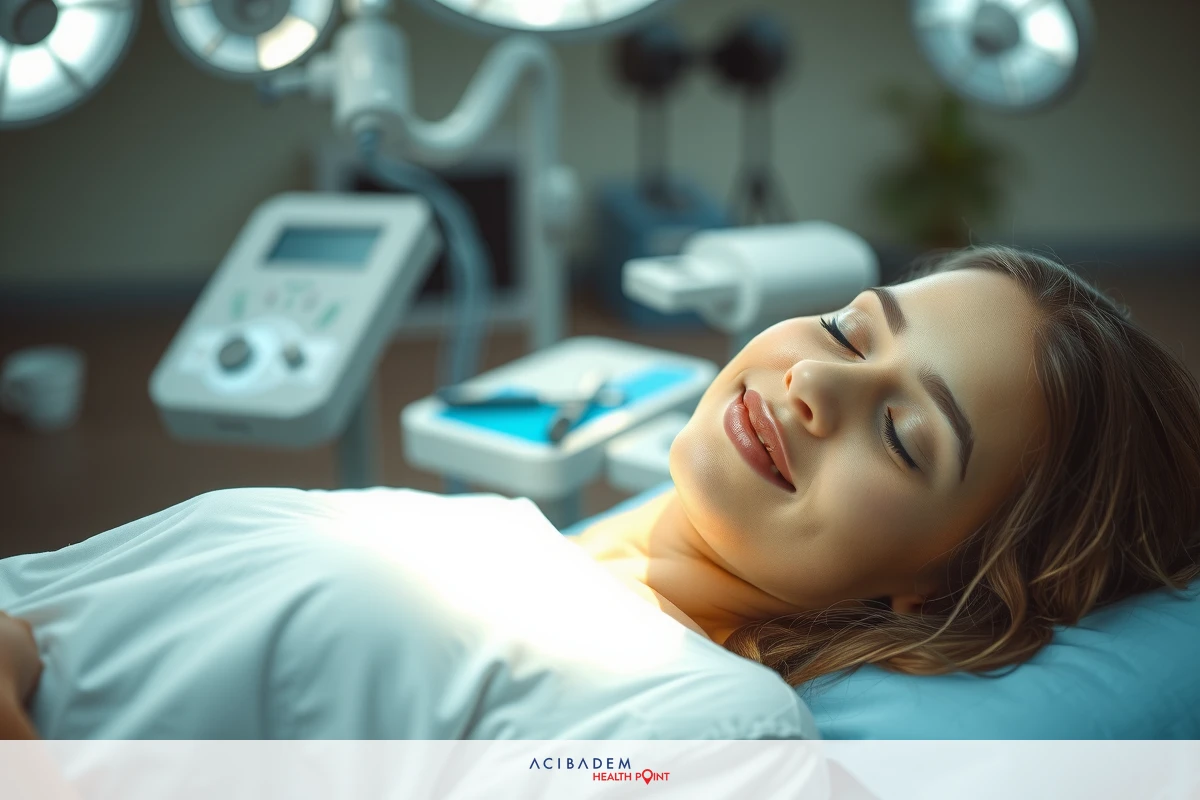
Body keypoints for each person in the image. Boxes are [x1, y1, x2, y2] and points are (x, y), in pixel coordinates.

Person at [2, 245, 1199, 740]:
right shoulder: (520, 549)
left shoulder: (705, 730)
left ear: (956, 582)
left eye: (901, 428)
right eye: (848, 326)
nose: (814, 383)